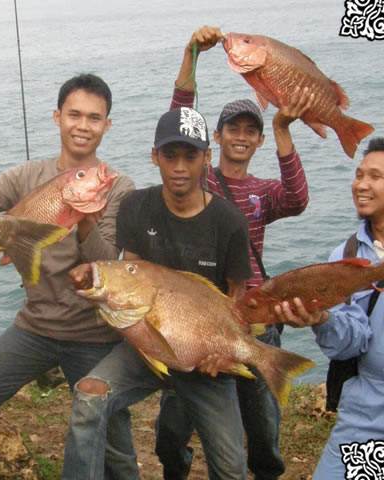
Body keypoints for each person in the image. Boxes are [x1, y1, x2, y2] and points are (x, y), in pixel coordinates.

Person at [62, 106, 253, 480]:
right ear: (155, 156)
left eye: (190, 155)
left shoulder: (229, 221)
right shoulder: (137, 206)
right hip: (144, 342)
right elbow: (126, 272)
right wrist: (97, 281)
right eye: (170, 155)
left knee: (231, 468)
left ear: (207, 158)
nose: (179, 166)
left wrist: (222, 353)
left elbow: (238, 302)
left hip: (204, 360)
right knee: (88, 398)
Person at [156, 25, 312, 480]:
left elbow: (298, 199)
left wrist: (283, 129)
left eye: (251, 130)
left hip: (256, 318)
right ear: (217, 138)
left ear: (257, 141)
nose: (241, 136)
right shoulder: (200, 179)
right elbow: (180, 114)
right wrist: (192, 56)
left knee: (262, 429)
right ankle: (175, 468)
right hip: (198, 315)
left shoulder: (264, 192)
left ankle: (265, 472)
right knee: (173, 425)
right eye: (232, 129)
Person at [0, 73, 138, 478]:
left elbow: (108, 266)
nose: (83, 125)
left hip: (94, 334)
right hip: (35, 326)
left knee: (116, 451)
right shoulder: (26, 177)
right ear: (57, 117)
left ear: (107, 125)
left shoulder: (118, 187)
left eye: (94, 118)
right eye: (74, 114)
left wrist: (85, 223)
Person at [275, 137, 384, 480]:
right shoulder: (346, 255)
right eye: (359, 175)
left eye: (375, 177)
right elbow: (351, 342)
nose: (361, 185)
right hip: (370, 416)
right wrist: (322, 319)